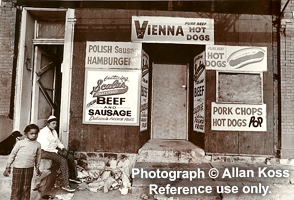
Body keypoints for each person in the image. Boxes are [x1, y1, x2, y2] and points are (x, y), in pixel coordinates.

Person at [37, 115, 81, 193]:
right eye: (53, 123)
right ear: (48, 124)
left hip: (53, 150)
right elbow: (45, 147)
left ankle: (72, 177)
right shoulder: (43, 132)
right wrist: (58, 152)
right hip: (44, 151)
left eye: (56, 124)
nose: (55, 125)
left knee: (70, 156)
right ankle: (65, 185)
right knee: (63, 160)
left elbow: (57, 142)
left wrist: (63, 148)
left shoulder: (53, 131)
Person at [3, 124, 42, 200]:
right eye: (31, 133)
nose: (34, 135)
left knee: (26, 188)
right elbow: (12, 154)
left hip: (29, 168)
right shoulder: (20, 143)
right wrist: (8, 167)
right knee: (16, 188)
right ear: (26, 133)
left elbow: (38, 157)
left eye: (36, 133)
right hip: (18, 168)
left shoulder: (38, 145)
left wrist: (37, 168)